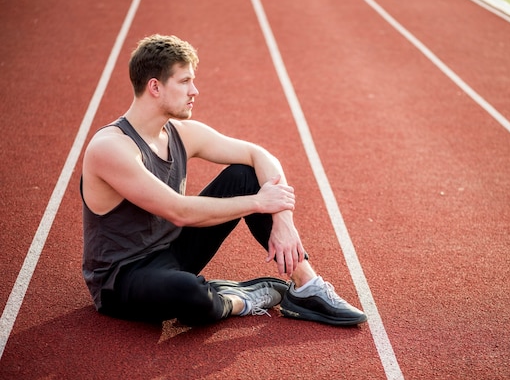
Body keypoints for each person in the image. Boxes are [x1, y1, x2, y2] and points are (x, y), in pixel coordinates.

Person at [81, 34, 367, 327]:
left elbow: (259, 154)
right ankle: (242, 299)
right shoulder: (111, 148)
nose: (195, 90)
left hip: (172, 252)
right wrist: (258, 203)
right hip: (122, 278)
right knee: (188, 291)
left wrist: (283, 220)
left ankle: (307, 286)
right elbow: (178, 211)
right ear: (154, 86)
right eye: (184, 81)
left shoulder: (181, 133)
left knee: (245, 174)